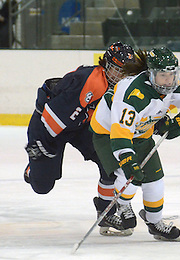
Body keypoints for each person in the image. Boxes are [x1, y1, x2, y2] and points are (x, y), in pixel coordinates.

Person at [89, 46, 180, 241]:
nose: (168, 80)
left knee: (155, 180)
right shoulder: (132, 94)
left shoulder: (178, 84)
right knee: (129, 174)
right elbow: (121, 131)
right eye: (163, 75)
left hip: (142, 131)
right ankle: (122, 205)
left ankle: (155, 223)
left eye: (172, 74)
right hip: (107, 131)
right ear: (151, 74)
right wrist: (128, 160)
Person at [24, 42, 135, 235]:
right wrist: (41, 146)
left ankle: (105, 211)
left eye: (125, 71)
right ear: (107, 65)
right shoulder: (91, 82)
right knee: (42, 186)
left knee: (109, 162)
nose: (121, 76)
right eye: (118, 70)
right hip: (48, 124)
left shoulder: (122, 86)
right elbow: (53, 120)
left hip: (81, 124)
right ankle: (33, 166)